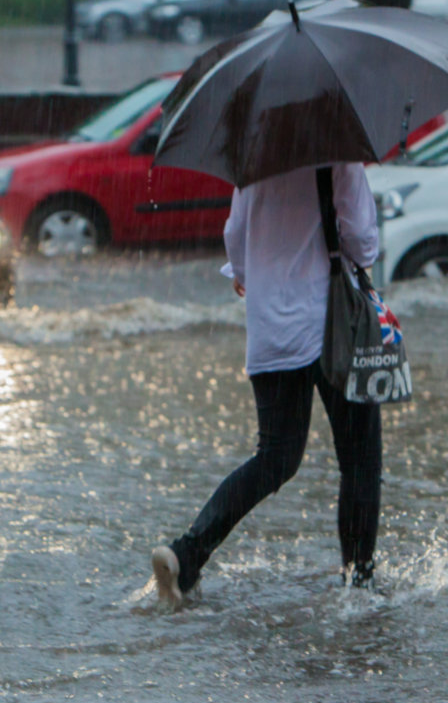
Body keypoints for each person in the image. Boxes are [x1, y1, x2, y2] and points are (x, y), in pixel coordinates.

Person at [151, 162, 381, 605]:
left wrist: (250, 272)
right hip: (333, 328)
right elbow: (363, 243)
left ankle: (188, 551)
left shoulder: (254, 159)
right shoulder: (337, 153)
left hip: (272, 332)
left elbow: (235, 241)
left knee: (275, 457)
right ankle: (360, 585)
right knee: (360, 461)